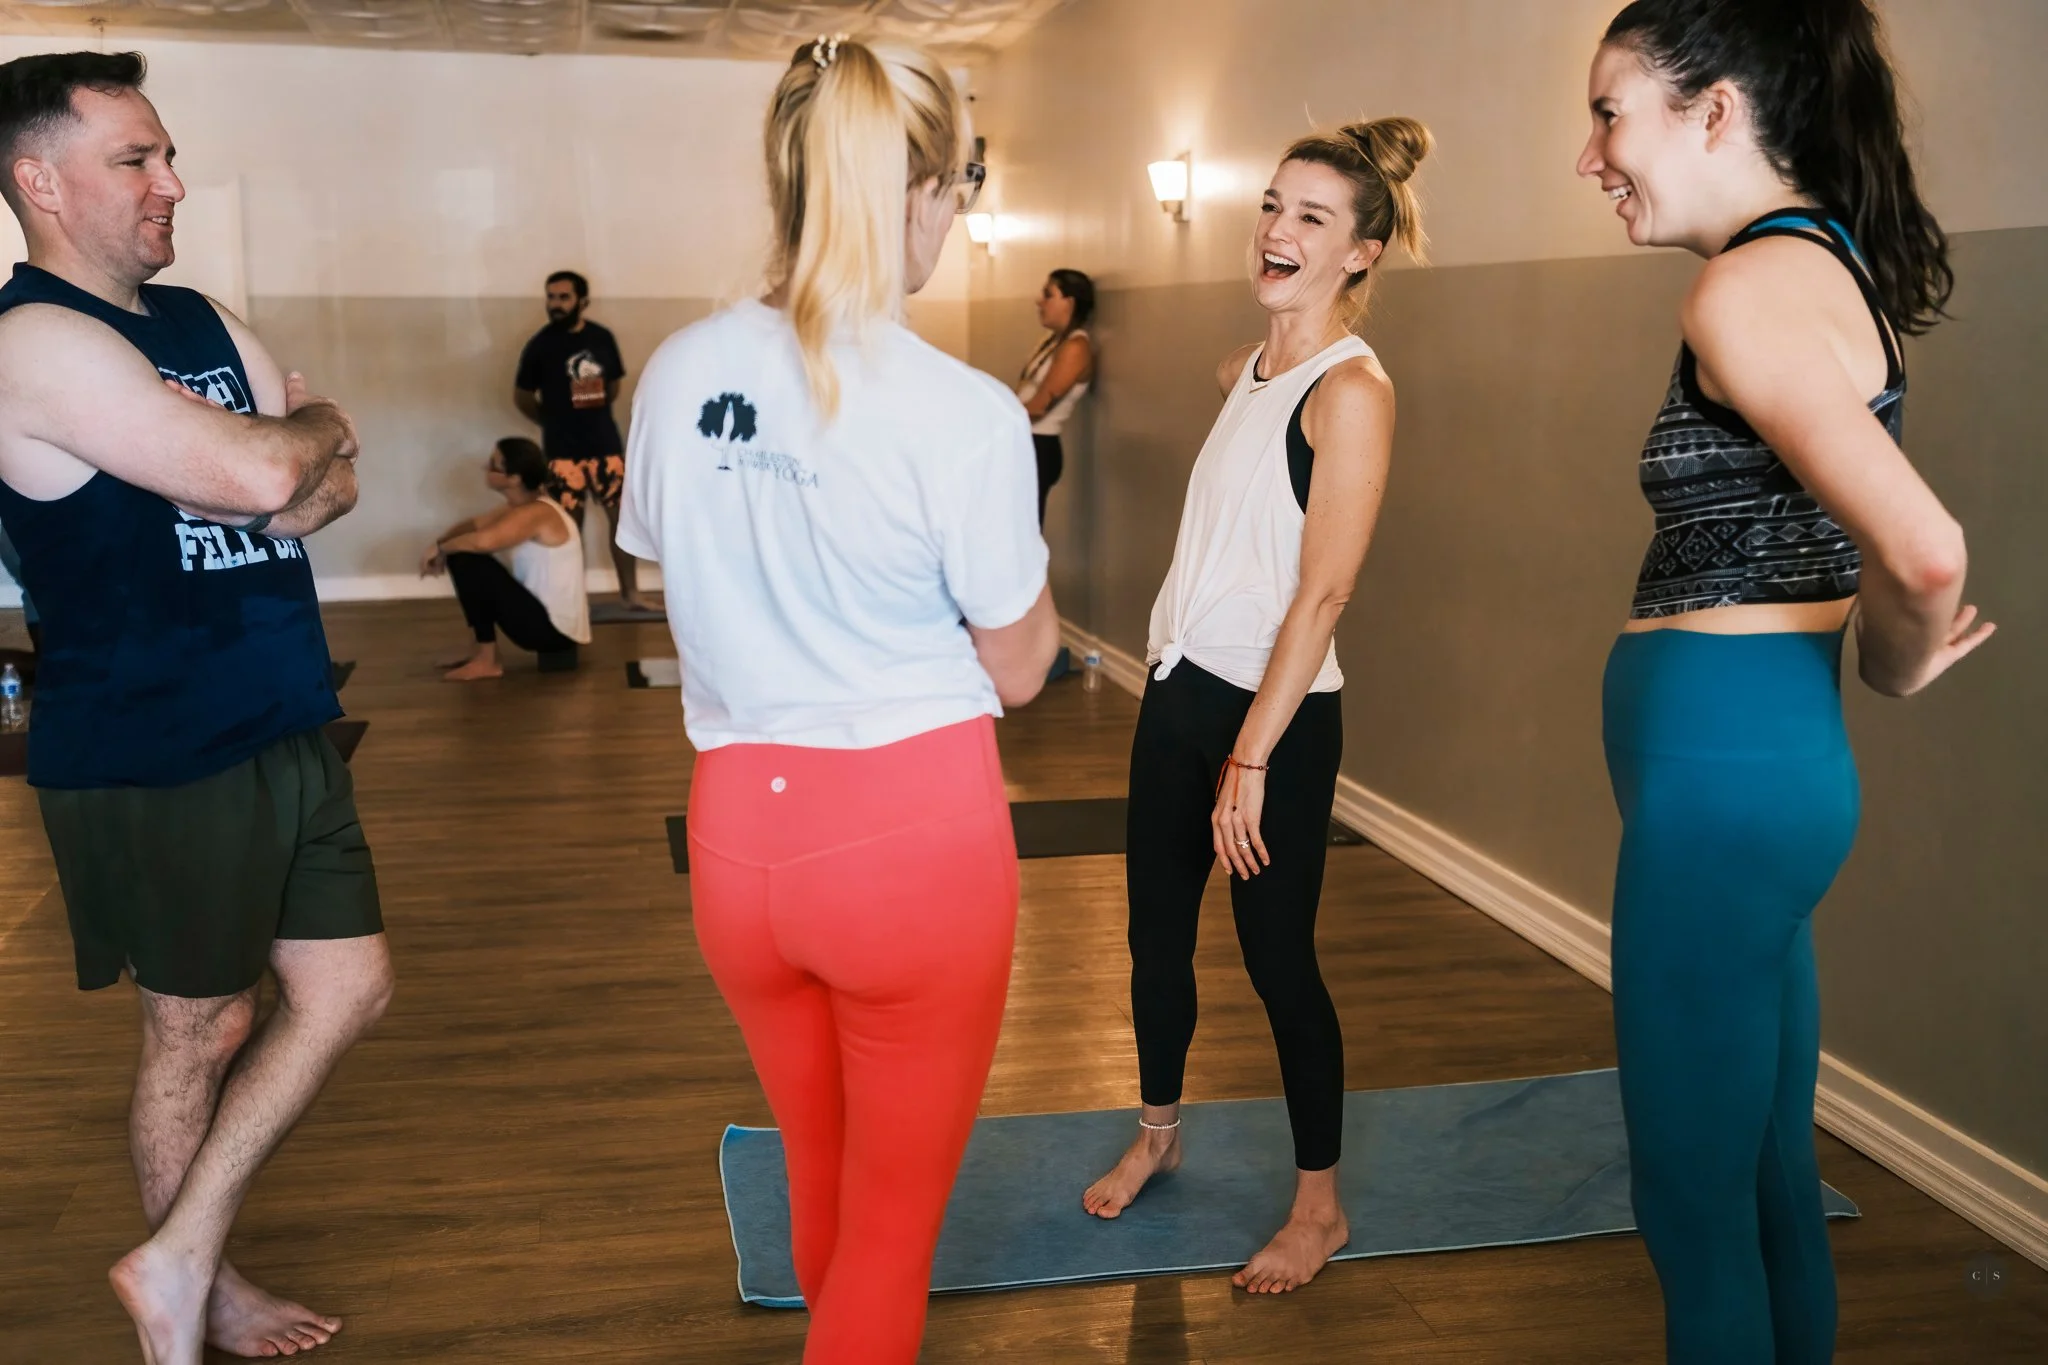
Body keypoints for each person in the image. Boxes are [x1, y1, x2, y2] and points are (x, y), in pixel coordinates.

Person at [616, 34, 1057, 1363]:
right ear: (917, 190)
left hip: (738, 841)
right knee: (890, 1233)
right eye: (959, 186)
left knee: (821, 1167)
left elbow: (673, 571)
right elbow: (1021, 665)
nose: (955, 215)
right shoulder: (963, 413)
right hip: (906, 842)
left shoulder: (678, 370)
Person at [1578, 2, 1993, 1359]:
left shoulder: (1744, 289)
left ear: (1713, 111)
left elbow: (1923, 547)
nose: (1591, 156)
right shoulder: (1827, 263)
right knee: (1765, 1183)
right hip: (1767, 773)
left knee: (1691, 1208)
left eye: (1608, 113)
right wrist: (1883, 660)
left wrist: (1901, 658)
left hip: (1721, 790)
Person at [0, 52, 393, 1364]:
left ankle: (178, 1255)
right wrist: (291, 444)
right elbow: (272, 471)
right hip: (151, 743)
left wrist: (287, 448)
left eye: (167, 154)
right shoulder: (34, 342)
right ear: (39, 180)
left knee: (346, 988)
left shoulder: (199, 319)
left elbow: (324, 478)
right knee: (198, 1024)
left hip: (281, 711)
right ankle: (197, 1289)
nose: (172, 181)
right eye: (136, 159)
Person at [1080, 118, 1431, 1294]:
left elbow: (1322, 593)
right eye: (1272, 206)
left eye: (1311, 217)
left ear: (1362, 252)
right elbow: (1243, 459)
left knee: (1279, 964)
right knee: (1153, 939)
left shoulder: (1353, 392)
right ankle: (1157, 1134)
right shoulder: (1249, 370)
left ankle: (1318, 1210)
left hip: (1271, 722)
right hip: (1177, 689)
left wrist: (1249, 761)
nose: (1277, 230)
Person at [514, 270, 651, 613]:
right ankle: (570, 599)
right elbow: (522, 397)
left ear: (582, 301)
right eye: (551, 297)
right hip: (562, 454)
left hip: (605, 448)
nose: (555, 304)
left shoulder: (602, 338)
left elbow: (613, 386)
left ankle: (630, 594)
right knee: (567, 528)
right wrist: (551, 421)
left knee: (622, 521)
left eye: (564, 297)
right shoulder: (540, 345)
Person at [421, 436, 591, 680]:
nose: (486, 468)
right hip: (546, 622)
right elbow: (474, 525)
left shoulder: (537, 512)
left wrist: (440, 549)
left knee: (467, 558)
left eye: (494, 465)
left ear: (514, 478)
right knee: (462, 552)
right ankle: (477, 651)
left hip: (553, 630)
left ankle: (487, 661)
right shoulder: (521, 507)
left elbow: (482, 542)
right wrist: (441, 543)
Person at [1015, 268, 1095, 525]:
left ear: (1069, 303)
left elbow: (1039, 407)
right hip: (1026, 440)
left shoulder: (1076, 347)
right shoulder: (1051, 342)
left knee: (1025, 528)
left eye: (1048, 295)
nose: (1039, 302)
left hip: (1039, 445)